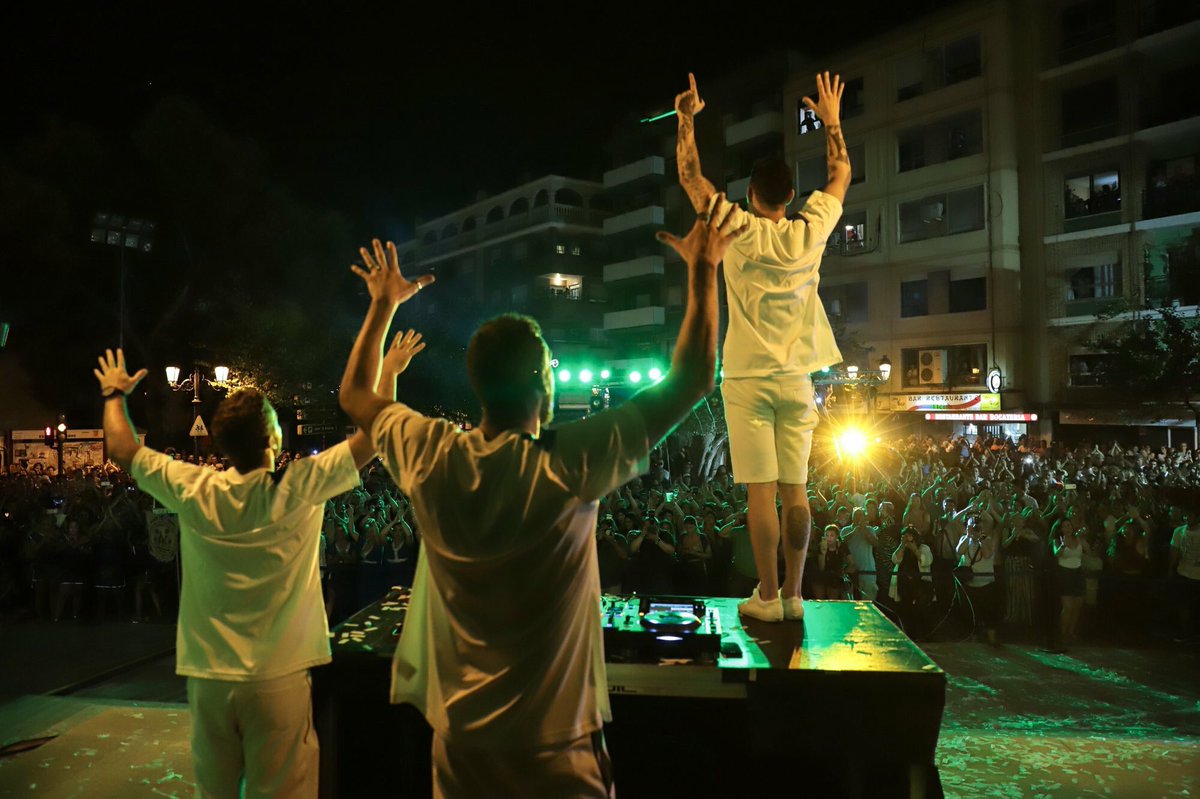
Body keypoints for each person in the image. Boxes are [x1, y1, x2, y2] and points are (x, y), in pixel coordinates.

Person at [339, 208, 745, 797]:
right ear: (544, 383)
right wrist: (705, 269)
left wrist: (382, 305)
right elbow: (692, 378)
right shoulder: (568, 460)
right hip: (555, 750)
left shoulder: (431, 452)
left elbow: (355, 394)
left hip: (459, 748)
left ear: (478, 384)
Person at [91, 339, 416, 798]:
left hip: (208, 677)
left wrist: (113, 395)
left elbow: (123, 448)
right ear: (275, 438)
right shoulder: (298, 487)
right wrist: (390, 371)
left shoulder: (193, 486)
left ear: (222, 441)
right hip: (278, 677)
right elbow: (374, 435)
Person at [674, 71, 851, 622]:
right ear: (792, 195)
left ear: (750, 196)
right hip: (799, 378)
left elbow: (690, 176)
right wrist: (832, 121)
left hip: (747, 378)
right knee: (796, 491)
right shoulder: (811, 229)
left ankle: (768, 597)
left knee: (760, 492)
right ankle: (798, 596)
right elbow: (842, 171)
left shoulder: (737, 226)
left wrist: (686, 117)